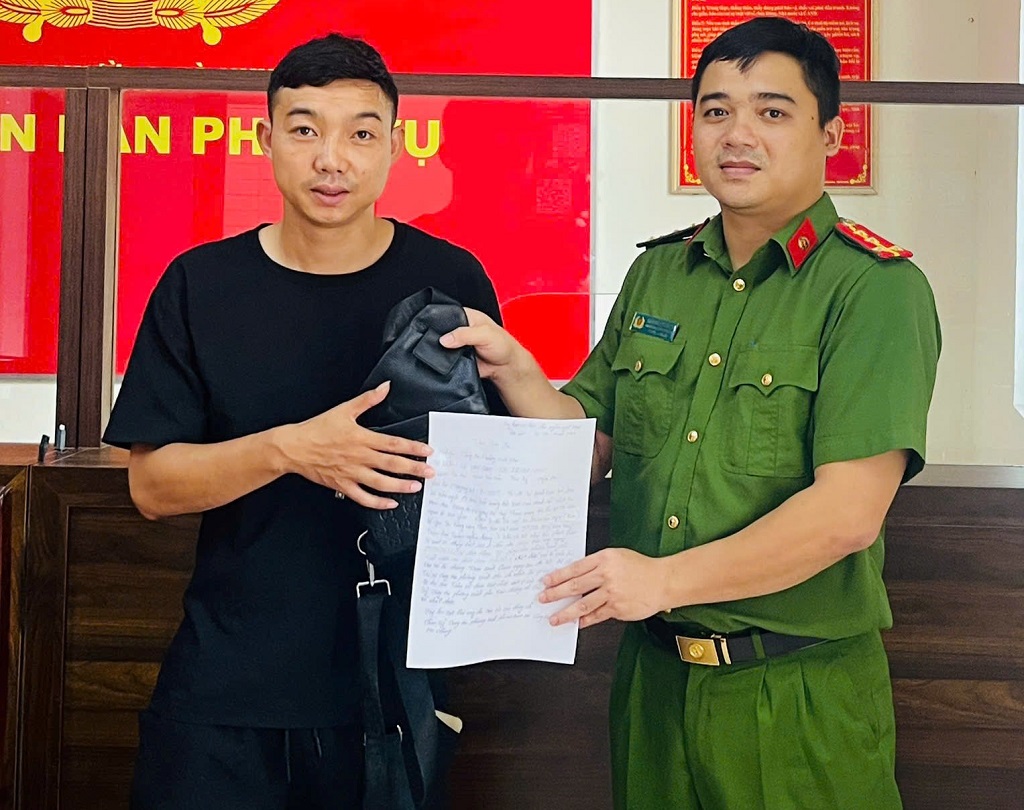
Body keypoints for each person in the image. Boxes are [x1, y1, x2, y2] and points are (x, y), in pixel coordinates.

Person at [440, 16, 940, 810]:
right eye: (716, 110)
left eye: (772, 111)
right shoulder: (660, 275)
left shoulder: (874, 290)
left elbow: (847, 516)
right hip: (655, 680)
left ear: (831, 134)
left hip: (793, 692)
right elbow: (589, 444)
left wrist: (663, 579)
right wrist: (520, 373)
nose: (737, 133)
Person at [103, 33, 503, 809]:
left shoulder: (448, 279)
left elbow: (495, 474)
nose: (332, 159)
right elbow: (152, 487)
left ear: (396, 145)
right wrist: (290, 450)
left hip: (390, 687)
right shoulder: (200, 284)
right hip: (226, 683)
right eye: (305, 129)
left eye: (361, 133)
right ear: (265, 140)